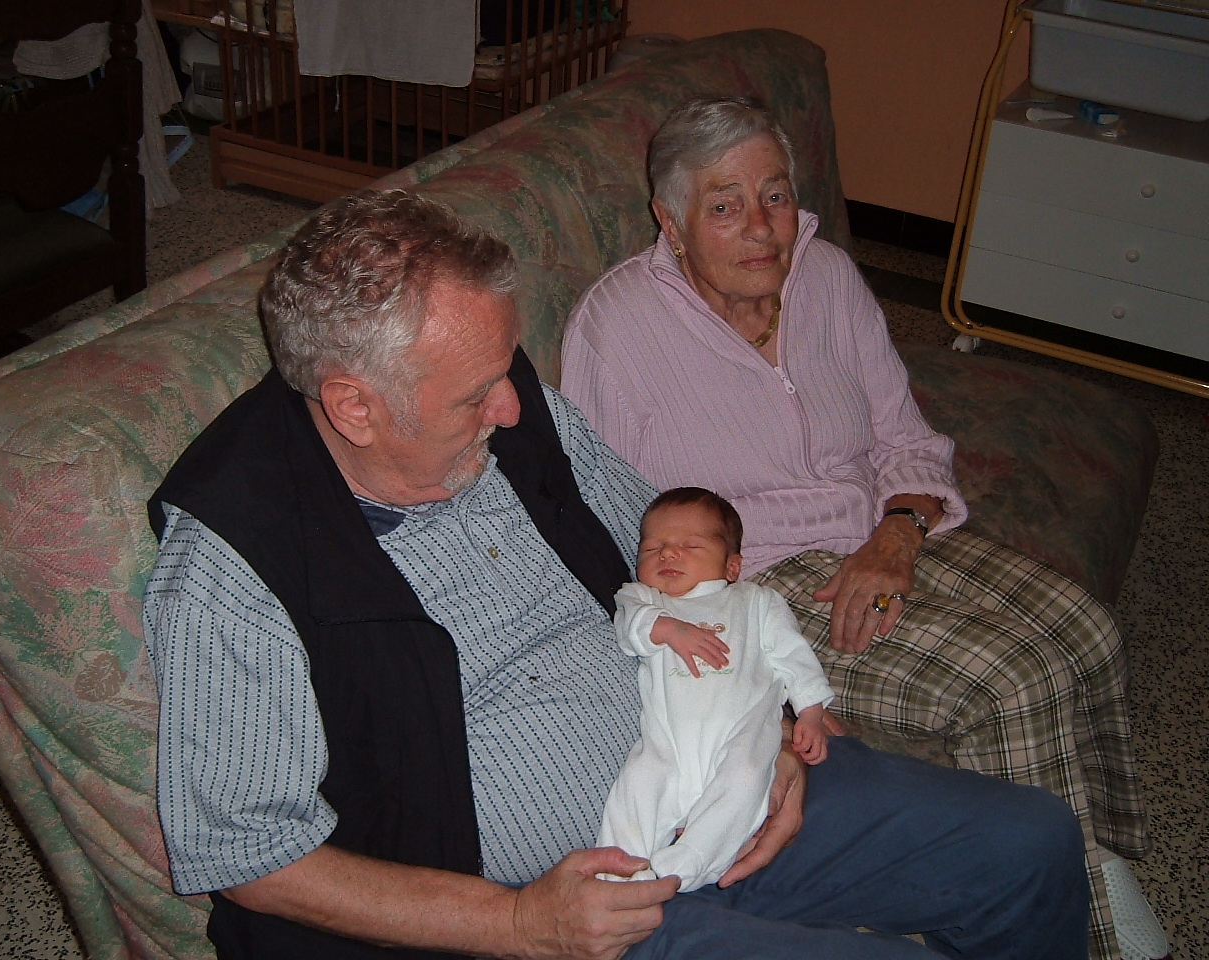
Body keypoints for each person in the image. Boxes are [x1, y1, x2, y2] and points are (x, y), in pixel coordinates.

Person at [143, 188, 1090, 960]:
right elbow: (246, 855)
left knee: (1033, 844)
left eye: (506, 369)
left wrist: (764, 719)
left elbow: (673, 555)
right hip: (564, 912)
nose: (513, 408)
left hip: (707, 763)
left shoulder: (508, 405)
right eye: (476, 395)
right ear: (355, 406)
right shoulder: (238, 560)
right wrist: (519, 924)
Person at [559, 96, 1165, 960]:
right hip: (754, 588)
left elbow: (904, 436)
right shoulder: (618, 329)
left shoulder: (828, 277)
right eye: (725, 205)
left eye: (775, 194)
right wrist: (734, 683)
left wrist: (899, 533)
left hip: (878, 531)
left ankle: (1088, 858)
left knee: (1086, 630)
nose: (763, 226)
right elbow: (599, 520)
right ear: (672, 221)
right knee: (1011, 680)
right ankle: (1088, 918)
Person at [597, 487, 837, 893]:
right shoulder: (643, 599)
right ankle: (618, 870)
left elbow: (792, 656)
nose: (667, 554)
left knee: (747, 780)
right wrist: (668, 628)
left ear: (732, 566)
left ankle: (691, 862)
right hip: (668, 739)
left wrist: (811, 710)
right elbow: (630, 629)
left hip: (742, 732)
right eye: (652, 548)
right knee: (638, 783)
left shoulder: (756, 602)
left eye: (690, 545)